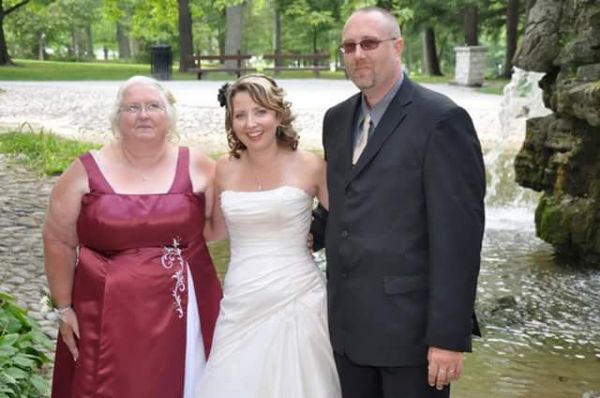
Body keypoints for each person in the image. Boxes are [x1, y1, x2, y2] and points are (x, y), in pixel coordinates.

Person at [320, 6, 485, 398]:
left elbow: (458, 240)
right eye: (349, 46)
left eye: (369, 43)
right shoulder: (336, 119)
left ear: (398, 46)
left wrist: (448, 337)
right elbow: (343, 204)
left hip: (410, 338)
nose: (358, 54)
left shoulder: (442, 120)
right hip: (346, 330)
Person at [43, 75, 222, 398]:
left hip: (184, 310)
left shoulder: (198, 165)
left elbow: (221, 224)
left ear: (169, 115)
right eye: (132, 108)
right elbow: (58, 239)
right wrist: (63, 306)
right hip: (102, 311)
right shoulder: (85, 169)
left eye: (153, 106)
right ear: (117, 119)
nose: (143, 115)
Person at [195, 74, 341, 398]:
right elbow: (215, 230)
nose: (251, 123)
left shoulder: (312, 166)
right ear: (230, 121)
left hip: (299, 296)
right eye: (240, 115)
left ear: (278, 114)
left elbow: (347, 224)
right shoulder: (223, 169)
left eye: (260, 111)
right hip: (241, 300)